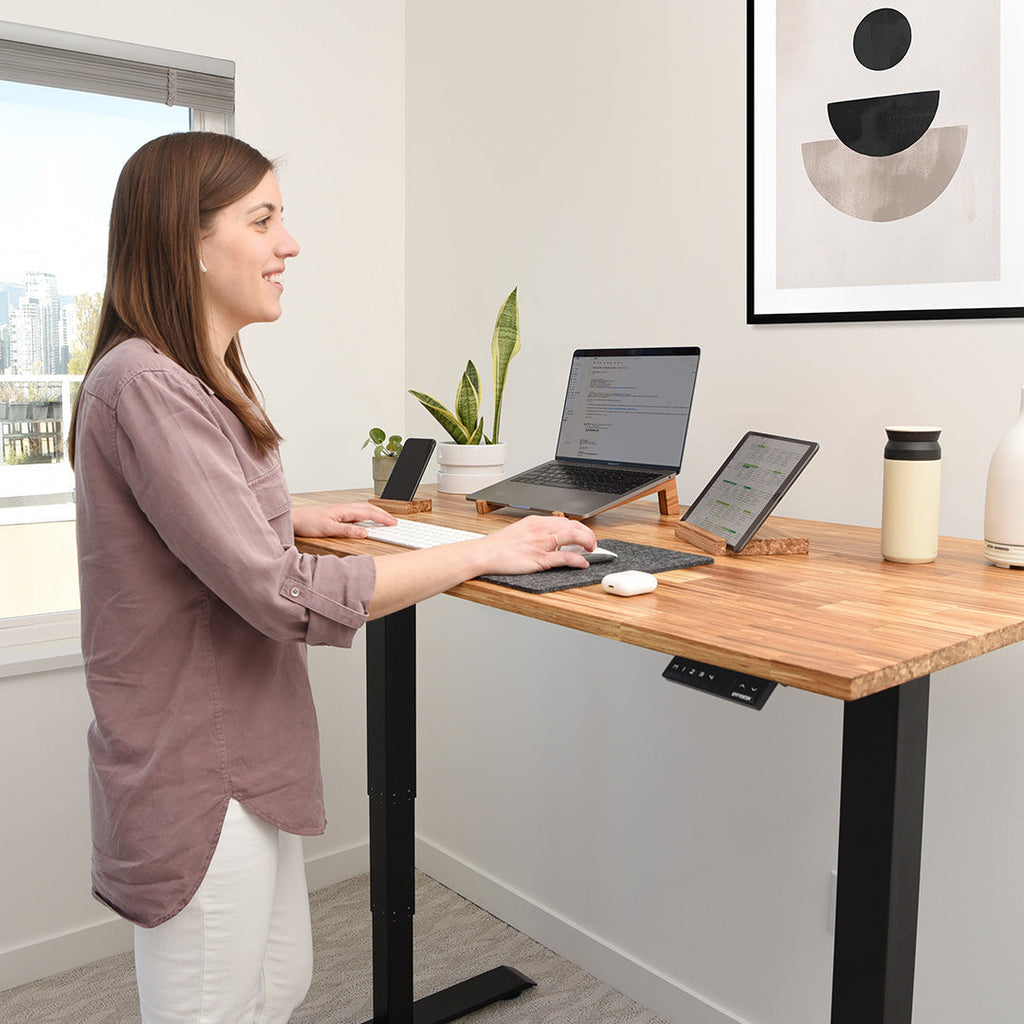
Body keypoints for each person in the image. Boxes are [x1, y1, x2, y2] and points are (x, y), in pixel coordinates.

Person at [69, 131, 595, 1024]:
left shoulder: (203, 375)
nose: (290, 244)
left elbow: (198, 529)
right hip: (199, 768)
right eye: (264, 219)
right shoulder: (147, 384)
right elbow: (278, 594)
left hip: (242, 753)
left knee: (280, 986)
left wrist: (289, 516)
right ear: (188, 241)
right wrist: (478, 551)